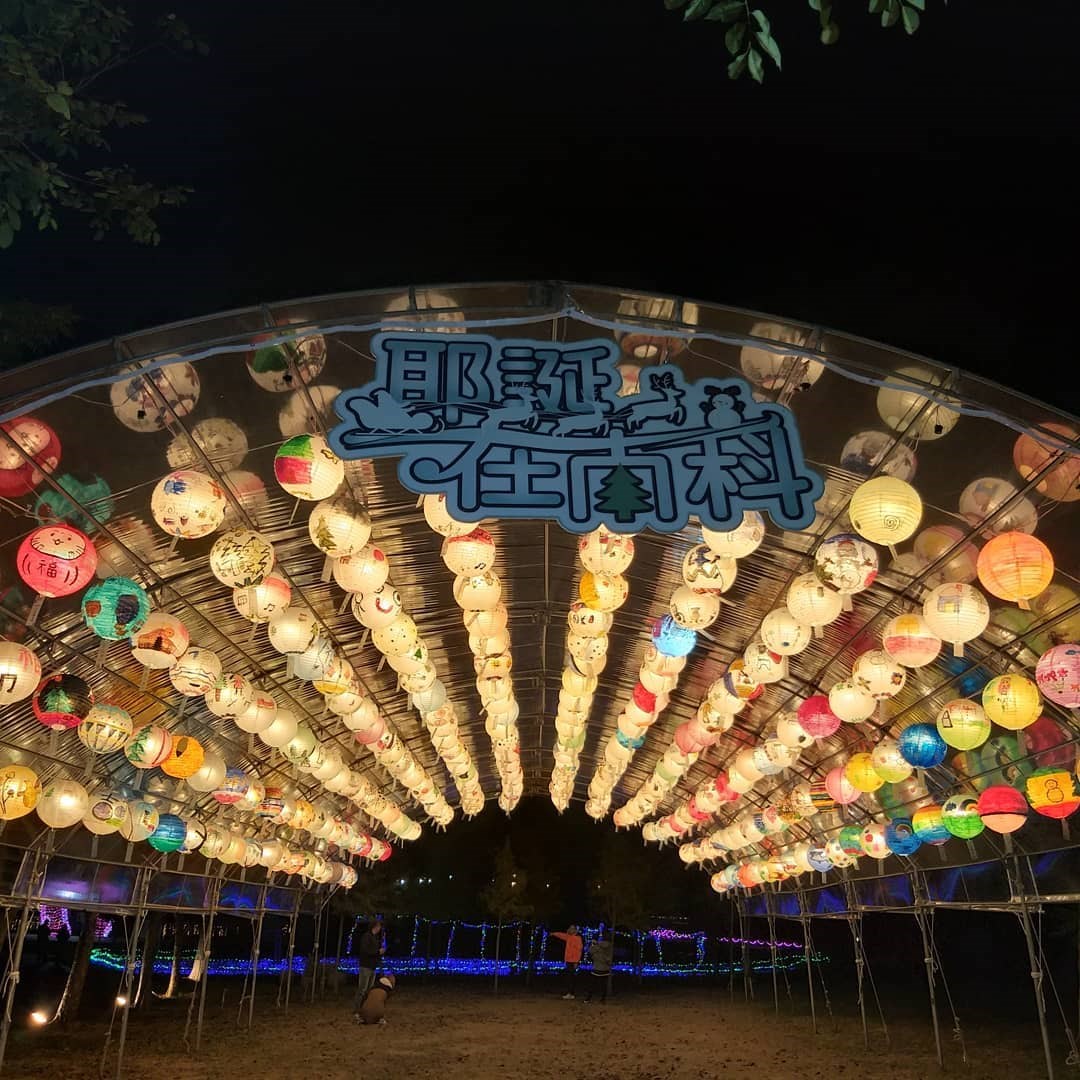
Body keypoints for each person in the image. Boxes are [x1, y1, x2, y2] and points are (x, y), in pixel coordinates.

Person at [352, 919, 385, 1021]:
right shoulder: (366, 937)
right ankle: (357, 1010)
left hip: (372, 966)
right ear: (374, 926)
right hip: (365, 966)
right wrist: (377, 952)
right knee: (362, 989)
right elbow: (365, 950)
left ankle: (365, 1009)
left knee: (369, 990)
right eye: (378, 926)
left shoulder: (376, 938)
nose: (379, 929)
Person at [551, 925, 583, 999]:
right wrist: (554, 933)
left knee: (571, 978)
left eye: (572, 928)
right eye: (569, 928)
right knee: (569, 977)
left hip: (573, 961)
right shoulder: (569, 937)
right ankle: (570, 993)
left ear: (575, 930)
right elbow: (561, 935)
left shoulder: (577, 939)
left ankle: (570, 993)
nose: (569, 930)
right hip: (568, 960)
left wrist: (576, 962)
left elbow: (579, 951)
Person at [583, 931, 613, 1005]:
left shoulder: (598, 945)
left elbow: (590, 951)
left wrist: (594, 945)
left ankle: (588, 998)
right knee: (603, 985)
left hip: (597, 967)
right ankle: (602, 999)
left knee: (592, 984)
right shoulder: (610, 946)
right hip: (605, 968)